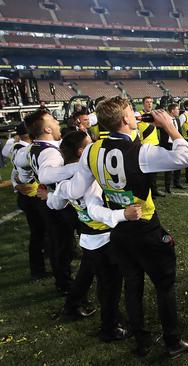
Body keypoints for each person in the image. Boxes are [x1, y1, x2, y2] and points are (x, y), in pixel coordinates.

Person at [49, 96, 188, 358]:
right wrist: (170, 128)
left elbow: (76, 189)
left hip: (119, 230)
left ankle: (141, 340)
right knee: (164, 285)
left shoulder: (92, 150)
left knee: (132, 284)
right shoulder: (141, 152)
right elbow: (185, 157)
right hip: (145, 228)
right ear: (124, 120)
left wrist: (56, 190)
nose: (135, 113)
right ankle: (172, 341)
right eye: (131, 111)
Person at [39, 131, 137, 342]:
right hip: (103, 238)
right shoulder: (88, 179)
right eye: (90, 143)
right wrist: (122, 215)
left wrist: (48, 196)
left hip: (88, 237)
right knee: (110, 286)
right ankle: (110, 327)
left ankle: (74, 306)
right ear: (82, 151)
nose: (95, 145)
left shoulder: (65, 180)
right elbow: (94, 210)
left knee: (94, 276)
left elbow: (57, 203)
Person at [13, 110, 80, 295]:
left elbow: (20, 162)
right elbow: (46, 174)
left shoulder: (32, 147)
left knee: (60, 243)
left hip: (47, 201)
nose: (58, 123)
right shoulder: (49, 152)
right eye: (54, 120)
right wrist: (82, 166)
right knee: (63, 244)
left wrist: (25, 178)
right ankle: (65, 285)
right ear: (48, 129)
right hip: (57, 203)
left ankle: (64, 280)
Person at [5, 123, 50, 280]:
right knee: (38, 233)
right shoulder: (23, 149)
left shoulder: (18, 147)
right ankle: (38, 269)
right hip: (31, 197)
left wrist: (15, 184)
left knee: (42, 232)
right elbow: (17, 172)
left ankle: (44, 261)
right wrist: (17, 184)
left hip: (30, 196)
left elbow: (14, 172)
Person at [161, 103, 184, 193]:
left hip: (176, 145)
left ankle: (177, 183)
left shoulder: (177, 120)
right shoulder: (165, 121)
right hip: (168, 145)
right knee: (169, 167)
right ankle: (167, 187)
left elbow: (180, 133)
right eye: (177, 109)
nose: (178, 111)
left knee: (178, 164)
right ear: (172, 111)